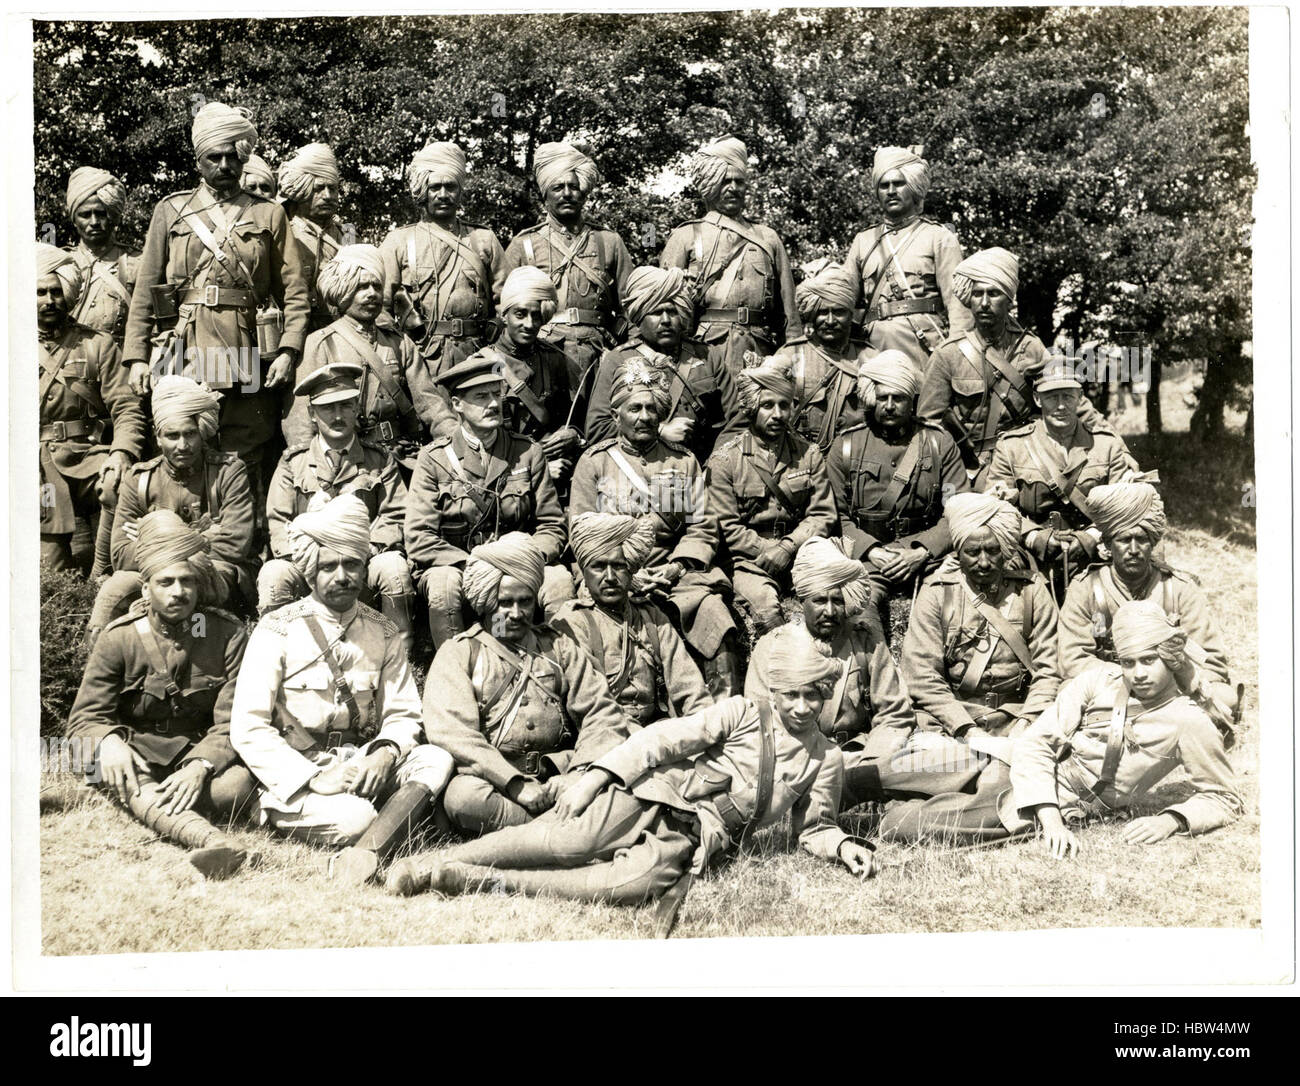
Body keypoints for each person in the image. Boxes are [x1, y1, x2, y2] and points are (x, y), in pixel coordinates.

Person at [386, 622, 876, 922]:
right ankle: (432, 865)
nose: (803, 705)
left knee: (622, 887)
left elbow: (817, 828)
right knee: (566, 844)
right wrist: (595, 781)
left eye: (814, 694)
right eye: (792, 693)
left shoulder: (825, 758)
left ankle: (466, 877)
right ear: (776, 690)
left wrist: (845, 845)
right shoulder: (744, 713)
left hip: (694, 839)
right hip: (653, 796)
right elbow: (658, 740)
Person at [879, 600, 1243, 851]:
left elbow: (1224, 797)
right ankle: (845, 796)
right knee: (891, 773)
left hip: (1042, 800)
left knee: (905, 824)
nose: (1139, 673)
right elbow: (1037, 743)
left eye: (1149, 660)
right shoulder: (1098, 679)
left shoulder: (1187, 720)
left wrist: (1173, 820)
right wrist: (1054, 826)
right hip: (1009, 760)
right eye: (1130, 662)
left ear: (1170, 655)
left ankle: (855, 821)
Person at [230, 493, 455, 884]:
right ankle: (379, 837)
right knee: (357, 818)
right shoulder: (277, 630)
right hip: (299, 770)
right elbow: (248, 726)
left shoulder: (382, 631)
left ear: (365, 567)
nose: (342, 576)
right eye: (328, 566)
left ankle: (362, 854)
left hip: (359, 762)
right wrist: (313, 778)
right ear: (309, 573)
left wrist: (384, 755)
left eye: (352, 564)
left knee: (435, 759)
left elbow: (402, 714)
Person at [123, 101, 310, 508]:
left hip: (245, 350)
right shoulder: (170, 211)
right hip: (183, 347)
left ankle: (244, 552)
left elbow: (295, 290)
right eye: (214, 156)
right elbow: (146, 288)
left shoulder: (269, 213)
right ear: (198, 159)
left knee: (245, 454)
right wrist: (137, 356)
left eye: (232, 156)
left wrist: (288, 350)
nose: (224, 164)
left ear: (244, 157)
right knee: (184, 447)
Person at [67, 511, 259, 879]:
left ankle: (141, 802)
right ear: (146, 589)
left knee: (234, 788)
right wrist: (108, 743)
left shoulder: (227, 635)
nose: (178, 592)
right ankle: (210, 839)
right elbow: (85, 719)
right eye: (165, 582)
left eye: (186, 581)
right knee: (107, 766)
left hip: (191, 753)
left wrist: (200, 766)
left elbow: (234, 719)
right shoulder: (119, 637)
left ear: (199, 586)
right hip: (135, 755)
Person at [423, 533, 637, 837]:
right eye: (504, 602)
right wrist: (514, 783)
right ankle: (566, 831)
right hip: (495, 782)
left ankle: (547, 831)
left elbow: (600, 711)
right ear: (485, 603)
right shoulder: (460, 652)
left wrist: (578, 775)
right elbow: (453, 733)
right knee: (463, 798)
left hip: (558, 775)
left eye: (524, 601)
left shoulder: (558, 647)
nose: (515, 613)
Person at [569, 356, 741, 696]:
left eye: (651, 408)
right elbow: (581, 535)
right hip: (610, 574)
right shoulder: (594, 463)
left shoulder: (683, 460)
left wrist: (675, 568)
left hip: (674, 574)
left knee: (715, 617)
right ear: (615, 414)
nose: (645, 416)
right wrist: (626, 573)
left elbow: (702, 528)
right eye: (634, 408)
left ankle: (727, 716)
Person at [746, 537, 947, 811]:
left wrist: (868, 768)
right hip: (799, 762)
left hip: (862, 755)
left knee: (933, 761)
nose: (829, 611)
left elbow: (894, 714)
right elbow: (762, 725)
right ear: (801, 600)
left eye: (837, 601)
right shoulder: (772, 647)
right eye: (819, 601)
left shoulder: (866, 643)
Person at [404, 355, 572, 648]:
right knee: (444, 585)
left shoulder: (527, 452)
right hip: (459, 566)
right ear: (457, 404)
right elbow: (419, 538)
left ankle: (558, 663)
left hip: (518, 563)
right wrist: (475, 564)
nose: (494, 404)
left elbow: (552, 525)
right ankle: (455, 664)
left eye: (497, 394)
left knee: (558, 579)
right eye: (481, 397)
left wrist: (523, 560)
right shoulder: (434, 459)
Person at [262, 362, 416, 655]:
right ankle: (279, 656)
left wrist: (363, 550)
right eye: (327, 408)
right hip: (308, 566)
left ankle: (397, 657)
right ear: (312, 414)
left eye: (345, 406)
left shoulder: (379, 460)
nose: (337, 416)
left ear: (356, 408)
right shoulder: (293, 464)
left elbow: (396, 513)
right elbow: (279, 521)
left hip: (362, 563)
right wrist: (310, 557)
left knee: (394, 566)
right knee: (274, 573)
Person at [89, 375, 257, 643]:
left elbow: (235, 543)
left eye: (190, 434)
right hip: (153, 575)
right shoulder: (139, 479)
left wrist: (151, 538)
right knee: (114, 588)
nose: (182, 445)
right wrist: (202, 536)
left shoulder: (228, 472)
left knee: (199, 584)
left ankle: (203, 666)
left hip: (214, 573)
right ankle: (100, 666)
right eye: (172, 436)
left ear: (201, 432)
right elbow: (121, 554)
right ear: (157, 436)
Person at [917, 247, 1096, 485]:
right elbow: (929, 424)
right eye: (977, 294)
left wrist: (1115, 446)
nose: (983, 303)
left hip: (1024, 462)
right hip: (968, 468)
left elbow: (1070, 399)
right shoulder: (948, 354)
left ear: (1009, 299)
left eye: (993, 294)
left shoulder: (1031, 348)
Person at [900, 491, 1061, 747]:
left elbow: (1049, 669)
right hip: (952, 721)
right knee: (923, 764)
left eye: (993, 551)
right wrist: (966, 729)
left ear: (1006, 551)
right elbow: (922, 676)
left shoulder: (1030, 591)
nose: (984, 562)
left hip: (1016, 717)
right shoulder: (937, 593)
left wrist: (1027, 722)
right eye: (973, 552)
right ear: (958, 553)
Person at [827, 351, 968, 640]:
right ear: (870, 399)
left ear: (912, 400)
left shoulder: (939, 443)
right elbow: (834, 517)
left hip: (928, 561)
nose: (889, 406)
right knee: (859, 613)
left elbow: (957, 510)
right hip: (866, 561)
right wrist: (871, 551)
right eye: (882, 398)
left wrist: (922, 552)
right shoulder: (845, 447)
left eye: (899, 398)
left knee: (952, 612)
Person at [1058, 482, 1233, 694]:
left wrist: (1164, 679)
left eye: (1141, 539)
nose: (1133, 549)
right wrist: (1131, 678)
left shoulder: (1179, 589)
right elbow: (1073, 660)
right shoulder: (1086, 589)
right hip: (1110, 690)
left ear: (1153, 543)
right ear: (1107, 544)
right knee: (1068, 692)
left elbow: (1212, 663)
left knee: (1225, 696)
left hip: (1171, 692)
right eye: (1124, 540)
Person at [705, 354, 837, 635]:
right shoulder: (726, 460)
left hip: (801, 552)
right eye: (767, 405)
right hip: (750, 561)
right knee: (767, 609)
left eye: (784, 405)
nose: (777, 414)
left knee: (836, 602)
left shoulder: (808, 454)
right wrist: (770, 552)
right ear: (752, 407)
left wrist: (788, 547)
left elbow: (822, 514)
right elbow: (727, 527)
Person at [284, 244, 453, 463]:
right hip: (346, 460)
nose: (372, 293)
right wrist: (309, 467)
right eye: (362, 287)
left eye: (376, 286)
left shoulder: (399, 342)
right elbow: (301, 421)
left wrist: (458, 445)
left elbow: (432, 406)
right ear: (342, 292)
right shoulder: (319, 343)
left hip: (400, 456)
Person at [986, 365, 1142, 599]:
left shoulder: (1107, 446)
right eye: (1051, 397)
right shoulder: (1012, 446)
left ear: (1079, 398)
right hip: (1031, 557)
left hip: (1095, 554)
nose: (1060, 405)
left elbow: (1122, 507)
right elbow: (996, 507)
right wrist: (1032, 536)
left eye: (1068, 396)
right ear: (1037, 399)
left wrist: (1091, 536)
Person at [38, 243, 145, 573]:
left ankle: (103, 572)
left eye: (56, 291)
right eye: (40, 292)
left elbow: (126, 406)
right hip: (37, 467)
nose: (49, 300)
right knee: (51, 569)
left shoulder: (97, 344)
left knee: (123, 483)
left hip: (86, 456)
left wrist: (121, 453)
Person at [499, 140, 633, 405]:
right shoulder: (524, 243)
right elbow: (503, 310)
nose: (567, 193)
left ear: (583, 193)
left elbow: (633, 306)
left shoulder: (609, 241)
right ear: (544, 195)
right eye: (557, 187)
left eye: (573, 187)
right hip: (541, 355)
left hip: (600, 354)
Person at [553, 511, 714, 729]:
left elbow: (690, 687)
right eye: (599, 567)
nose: (610, 577)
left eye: (619, 566)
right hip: (605, 736)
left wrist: (706, 727)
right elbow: (589, 707)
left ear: (632, 570)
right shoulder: (572, 622)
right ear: (584, 571)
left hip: (660, 734)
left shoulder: (651, 617)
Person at [660, 136, 800, 376]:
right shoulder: (685, 236)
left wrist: (792, 357)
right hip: (704, 353)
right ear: (709, 185)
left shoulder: (768, 238)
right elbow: (663, 307)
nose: (733, 188)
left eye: (739, 182)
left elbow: (789, 314)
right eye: (725, 181)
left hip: (760, 352)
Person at [585, 265, 743, 465]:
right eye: (657, 312)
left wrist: (715, 467)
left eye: (672, 312)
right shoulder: (617, 360)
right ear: (639, 318)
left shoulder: (707, 356)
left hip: (704, 470)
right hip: (641, 472)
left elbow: (737, 421)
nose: (666, 320)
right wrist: (659, 431)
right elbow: (597, 429)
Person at [842, 146, 970, 377]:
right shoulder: (863, 241)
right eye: (884, 185)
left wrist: (956, 357)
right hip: (873, 349)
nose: (890, 191)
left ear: (913, 187)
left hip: (923, 347)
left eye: (898, 184)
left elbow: (959, 306)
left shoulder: (940, 237)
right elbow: (843, 299)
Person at [380, 141, 505, 370]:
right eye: (435, 187)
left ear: (460, 191)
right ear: (422, 192)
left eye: (451, 187)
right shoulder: (398, 242)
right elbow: (381, 308)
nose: (443, 195)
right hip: (420, 357)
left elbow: (506, 301)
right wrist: (398, 357)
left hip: (478, 355)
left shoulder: (483, 239)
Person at [458, 266, 581, 485]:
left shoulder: (555, 359)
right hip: (503, 476)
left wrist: (571, 434)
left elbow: (575, 416)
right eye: (520, 314)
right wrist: (536, 467)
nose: (530, 324)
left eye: (536, 316)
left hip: (557, 472)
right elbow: (475, 446)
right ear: (504, 316)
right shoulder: (481, 365)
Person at [778, 261, 873, 452]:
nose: (830, 321)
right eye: (822, 312)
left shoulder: (869, 358)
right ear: (812, 314)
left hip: (856, 458)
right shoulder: (790, 355)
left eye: (838, 312)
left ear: (850, 314)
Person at [64, 167, 140, 347]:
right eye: (85, 215)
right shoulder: (61, 262)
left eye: (101, 214)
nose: (94, 222)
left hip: (119, 365)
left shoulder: (138, 262)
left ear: (114, 217)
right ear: (74, 219)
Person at [279, 142, 345, 332]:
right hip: (297, 331)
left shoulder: (347, 233)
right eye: (319, 189)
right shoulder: (284, 231)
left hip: (340, 330)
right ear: (301, 189)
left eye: (332, 189)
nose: (327, 196)